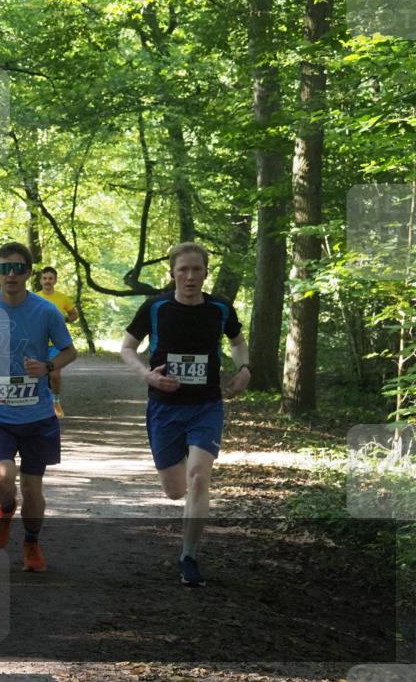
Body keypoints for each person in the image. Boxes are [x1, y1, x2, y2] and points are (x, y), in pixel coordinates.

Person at [119, 242, 250, 587]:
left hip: (206, 405)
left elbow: (237, 342)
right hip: (164, 408)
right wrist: (147, 376)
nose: (190, 277)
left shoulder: (220, 308)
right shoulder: (156, 307)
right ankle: (186, 535)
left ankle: (189, 556)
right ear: (173, 273)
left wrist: (245, 368)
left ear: (206, 272)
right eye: (183, 270)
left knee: (198, 477)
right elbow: (127, 348)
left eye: (197, 270)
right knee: (175, 490)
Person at [0, 242, 77, 572]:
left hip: (38, 416)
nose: (11, 275)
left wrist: (49, 366)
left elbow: (69, 351)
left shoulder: (46, 311)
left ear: (27, 273)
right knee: (1, 478)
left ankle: (30, 542)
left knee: (33, 489)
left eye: (17, 269)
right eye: (4, 268)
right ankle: (6, 507)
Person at [34, 266, 79, 419]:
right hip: (38, 342)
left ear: (55, 280)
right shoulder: (34, 297)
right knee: (36, 374)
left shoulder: (62, 298)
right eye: (45, 278)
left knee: (54, 374)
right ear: (40, 280)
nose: (47, 281)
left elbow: (74, 314)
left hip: (56, 344)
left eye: (50, 278)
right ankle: (39, 404)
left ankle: (56, 401)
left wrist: (64, 320)